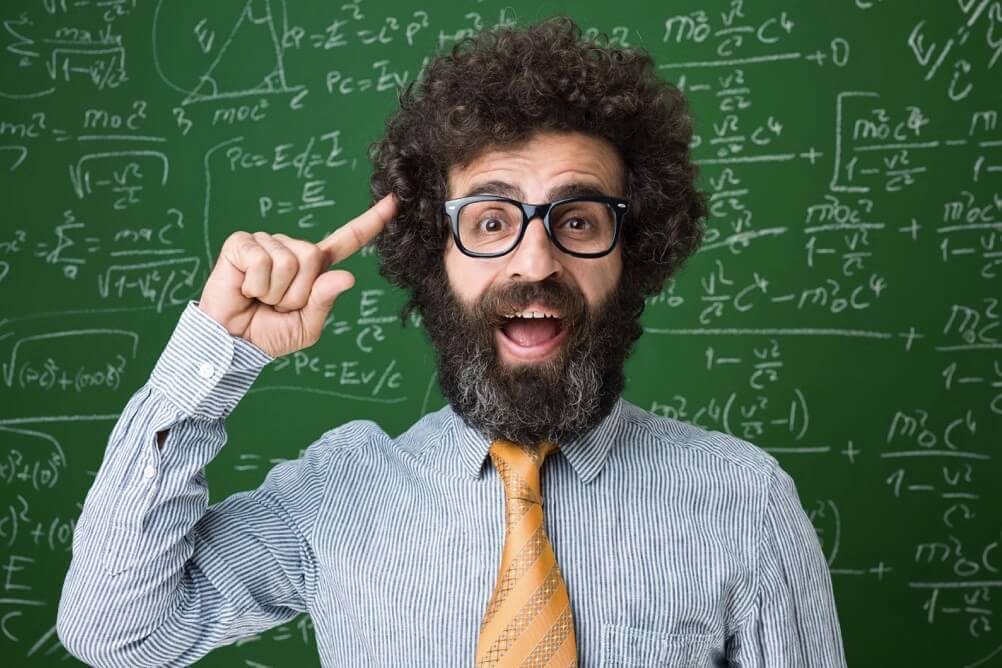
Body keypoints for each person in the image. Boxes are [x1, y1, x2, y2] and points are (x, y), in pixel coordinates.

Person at [57, 17, 847, 667]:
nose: (536, 261)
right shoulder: (339, 489)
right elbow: (117, 633)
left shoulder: (743, 500)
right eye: (491, 222)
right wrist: (218, 355)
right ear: (433, 254)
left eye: (578, 221)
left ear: (632, 251)